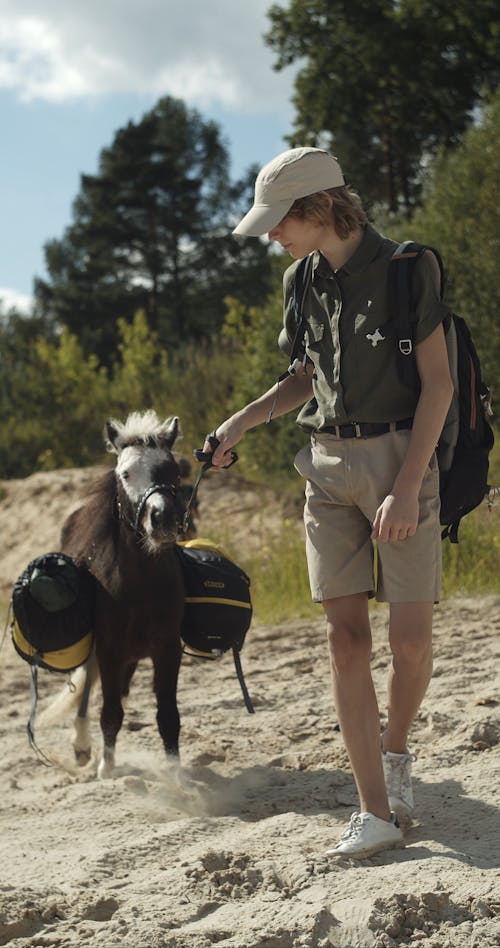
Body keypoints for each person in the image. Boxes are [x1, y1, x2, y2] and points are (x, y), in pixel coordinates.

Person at [204, 147, 453, 858]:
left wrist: (407, 485)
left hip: (401, 461)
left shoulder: (409, 269)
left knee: (410, 641)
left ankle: (396, 750)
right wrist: (239, 422)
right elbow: (305, 378)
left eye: (278, 223)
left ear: (317, 210)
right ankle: (374, 810)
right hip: (326, 468)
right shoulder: (300, 282)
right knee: (346, 640)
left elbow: (438, 386)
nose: (272, 236)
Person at [177, 456, 200, 539]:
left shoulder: (172, 490)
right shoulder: (190, 490)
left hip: (175, 530)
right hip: (189, 529)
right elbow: (195, 514)